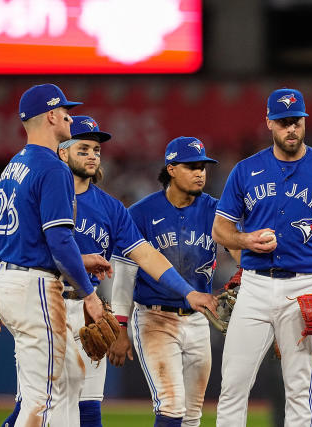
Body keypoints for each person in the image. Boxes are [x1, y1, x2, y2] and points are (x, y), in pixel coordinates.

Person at [0, 118, 218, 427]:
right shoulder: (45, 189)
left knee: (88, 407)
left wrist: (188, 291)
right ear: (63, 152)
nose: (93, 155)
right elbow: (2, 241)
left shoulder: (111, 208)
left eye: (96, 149)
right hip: (44, 300)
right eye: (84, 148)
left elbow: (145, 254)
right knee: (36, 401)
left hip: (87, 306)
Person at [212, 87, 312, 427]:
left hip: (304, 288)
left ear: (305, 121)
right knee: (233, 384)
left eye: (296, 121)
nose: (291, 129)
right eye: (283, 123)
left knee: (299, 389)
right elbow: (220, 230)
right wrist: (245, 240)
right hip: (253, 286)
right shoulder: (246, 170)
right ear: (269, 123)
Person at [0, 84, 112, 427]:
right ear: (52, 115)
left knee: (70, 375)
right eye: (66, 111)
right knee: (45, 395)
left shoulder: (14, 165)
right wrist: (90, 295)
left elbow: (9, 237)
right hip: (33, 286)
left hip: (10, 280)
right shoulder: (53, 167)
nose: (71, 116)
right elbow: (59, 241)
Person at [109, 136, 221, 427]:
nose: (200, 173)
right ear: (171, 169)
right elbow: (123, 275)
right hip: (154, 319)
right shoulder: (141, 213)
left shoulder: (215, 209)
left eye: (203, 167)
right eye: (192, 166)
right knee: (171, 406)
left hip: (198, 320)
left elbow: (235, 245)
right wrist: (120, 326)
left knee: (193, 415)